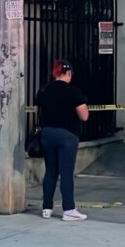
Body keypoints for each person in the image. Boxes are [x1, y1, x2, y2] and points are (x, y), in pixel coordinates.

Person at [35, 60, 89, 221]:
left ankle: (46, 208)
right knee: (66, 173)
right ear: (69, 73)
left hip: (47, 134)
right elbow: (84, 116)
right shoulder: (73, 91)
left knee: (50, 171)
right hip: (67, 135)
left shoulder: (44, 90)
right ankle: (69, 209)